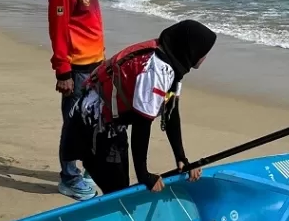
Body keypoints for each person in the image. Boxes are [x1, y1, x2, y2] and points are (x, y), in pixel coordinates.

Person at [62, 19, 217, 194]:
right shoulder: (157, 70)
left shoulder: (173, 63)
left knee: (119, 186)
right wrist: (144, 175)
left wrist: (181, 158)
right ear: (191, 49)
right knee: (117, 190)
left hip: (110, 122)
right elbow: (142, 124)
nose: (204, 57)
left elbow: (171, 113)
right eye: (204, 52)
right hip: (91, 122)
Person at [48, 0, 111, 200]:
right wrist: (63, 72)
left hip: (95, 66)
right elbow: (58, 33)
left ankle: (85, 168)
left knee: (92, 120)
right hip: (76, 70)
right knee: (73, 123)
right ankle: (69, 178)